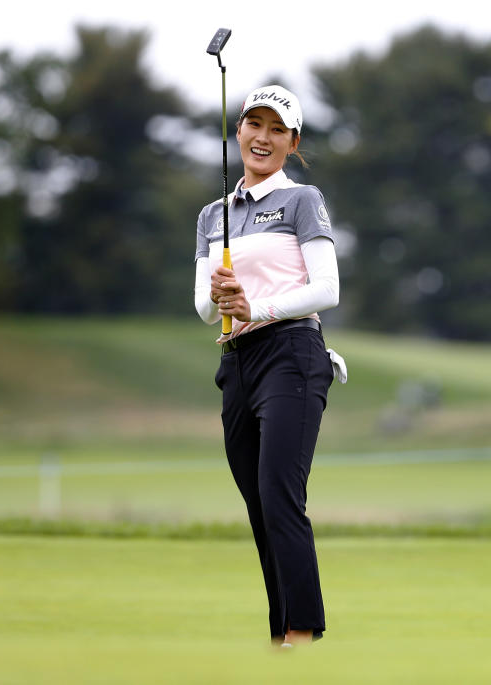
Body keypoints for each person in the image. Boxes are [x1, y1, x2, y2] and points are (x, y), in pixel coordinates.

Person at [193, 84, 345, 647]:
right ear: (239, 131)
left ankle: (301, 636)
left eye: (276, 129)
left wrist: (256, 305)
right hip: (238, 364)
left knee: (281, 495)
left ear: (292, 141)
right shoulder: (214, 214)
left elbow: (326, 288)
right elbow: (205, 310)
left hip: (292, 355)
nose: (263, 137)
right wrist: (220, 291)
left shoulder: (302, 200)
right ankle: (281, 631)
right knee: (258, 504)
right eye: (254, 125)